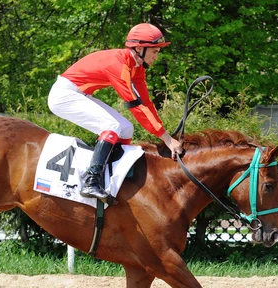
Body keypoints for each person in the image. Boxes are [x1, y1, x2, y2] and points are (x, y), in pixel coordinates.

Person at [48, 23, 183, 203]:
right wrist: (166, 139)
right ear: (140, 48)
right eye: (155, 52)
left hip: (78, 93)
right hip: (64, 96)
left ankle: (109, 176)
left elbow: (146, 104)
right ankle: (91, 180)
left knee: (126, 128)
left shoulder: (136, 67)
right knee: (111, 126)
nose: (156, 57)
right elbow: (135, 107)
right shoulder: (119, 66)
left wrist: (165, 134)